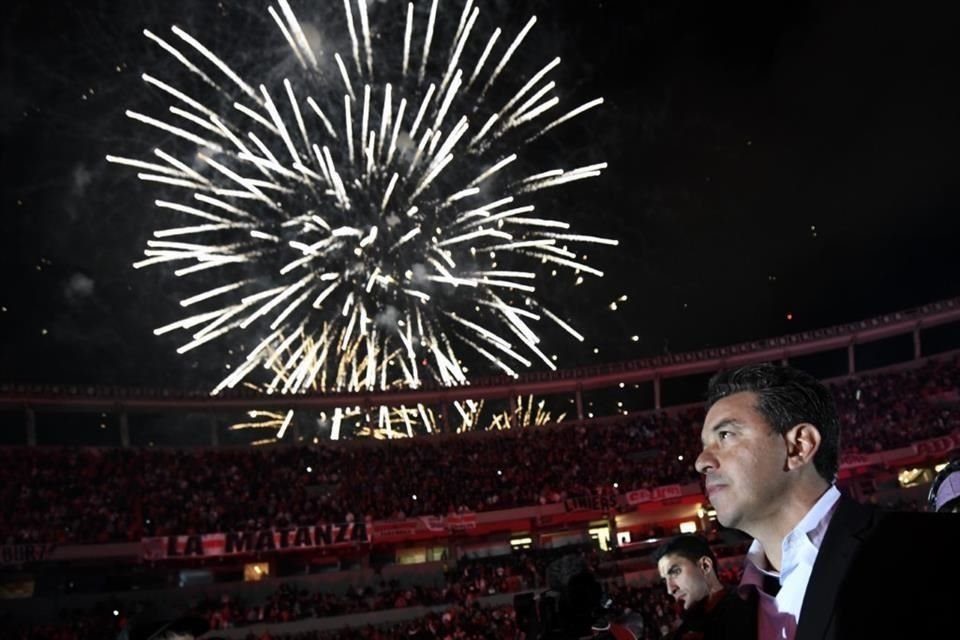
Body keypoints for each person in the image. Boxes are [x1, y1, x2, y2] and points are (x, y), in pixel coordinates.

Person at [695, 363, 960, 640]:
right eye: (704, 446)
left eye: (725, 435)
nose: (701, 462)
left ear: (799, 446)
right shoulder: (726, 619)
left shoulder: (928, 549)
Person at [653, 534, 749, 639]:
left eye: (675, 572)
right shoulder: (689, 623)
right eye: (664, 580)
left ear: (705, 566)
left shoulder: (748, 610)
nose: (670, 590)